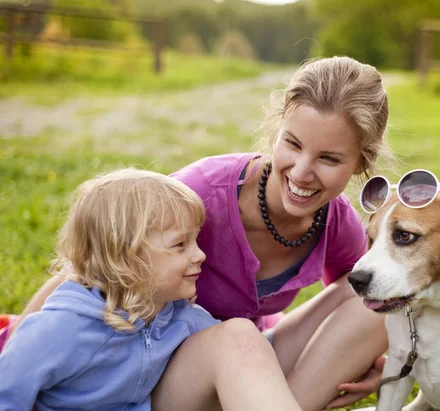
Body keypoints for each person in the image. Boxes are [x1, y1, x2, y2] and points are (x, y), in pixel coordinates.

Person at [12, 56, 392, 410]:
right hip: (154, 370)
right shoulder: (199, 195)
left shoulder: (335, 219)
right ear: (277, 132)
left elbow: (346, 294)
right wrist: (18, 344)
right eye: (292, 144)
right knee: (239, 336)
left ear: (361, 161)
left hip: (235, 357)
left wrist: (372, 361)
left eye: (329, 158)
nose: (301, 172)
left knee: (377, 298)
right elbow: (95, 262)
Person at [0, 168, 302, 411]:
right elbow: (7, 392)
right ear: (126, 258)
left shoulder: (179, 316)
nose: (200, 255)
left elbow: (246, 363)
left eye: (195, 241)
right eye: (180, 244)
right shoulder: (60, 329)